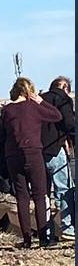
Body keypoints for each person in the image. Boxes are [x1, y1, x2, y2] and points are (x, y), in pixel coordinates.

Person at [0, 77, 62, 248]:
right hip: (33, 153)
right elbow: (57, 116)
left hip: (13, 156)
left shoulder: (7, 110)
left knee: (22, 197)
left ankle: (26, 239)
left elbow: (0, 136)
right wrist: (41, 101)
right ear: (29, 91)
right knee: (40, 195)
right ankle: (43, 239)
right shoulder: (34, 107)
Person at [41, 76, 76, 241]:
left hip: (37, 151)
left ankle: (46, 233)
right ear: (66, 88)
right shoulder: (63, 100)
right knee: (64, 188)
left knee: (43, 193)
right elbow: (69, 124)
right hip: (56, 149)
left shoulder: (38, 100)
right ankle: (68, 227)